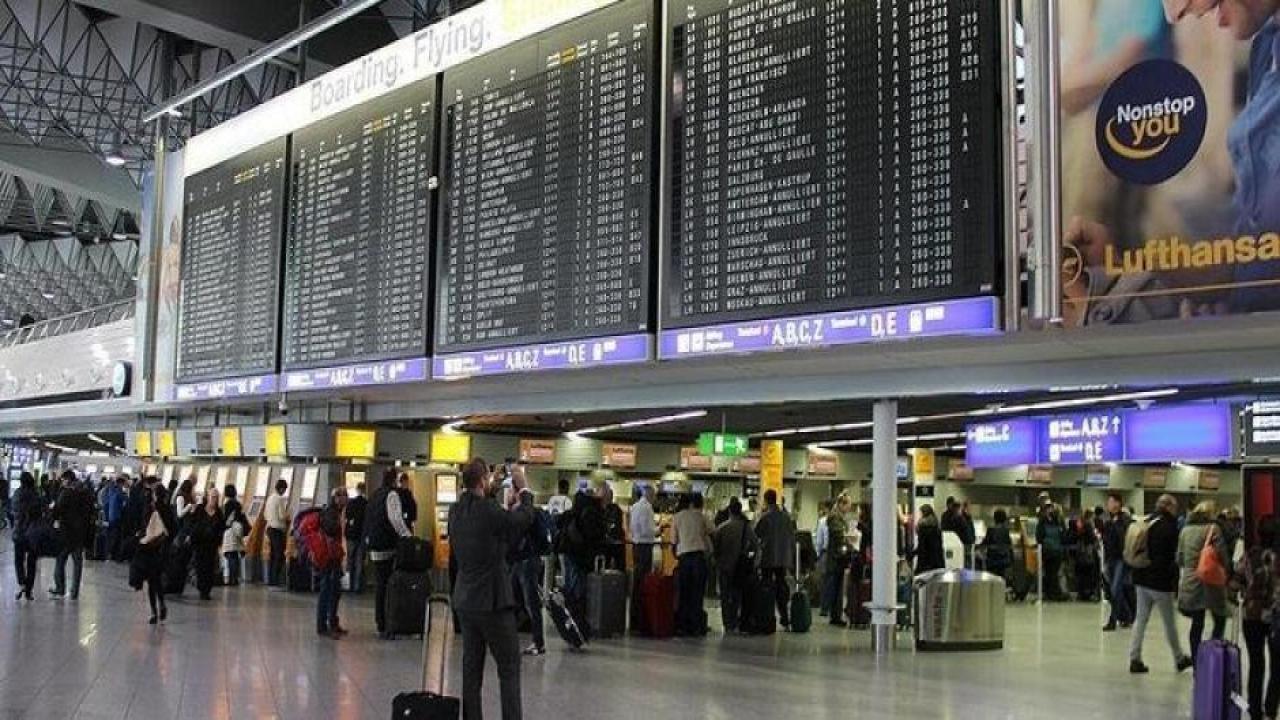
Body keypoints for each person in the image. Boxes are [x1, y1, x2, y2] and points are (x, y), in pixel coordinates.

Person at [451, 457, 533, 720]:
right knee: (509, 667)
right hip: (493, 602)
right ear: (482, 480)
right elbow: (521, 520)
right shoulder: (489, 511)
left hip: (466, 601)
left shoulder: (456, 510)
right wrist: (525, 489)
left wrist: (494, 488)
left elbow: (486, 518)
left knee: (471, 668)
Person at [1130, 494, 1194, 674]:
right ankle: (1179, 658)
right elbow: (1173, 556)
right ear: (1168, 507)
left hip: (1141, 577)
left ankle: (1135, 658)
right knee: (1169, 623)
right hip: (1160, 582)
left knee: (1140, 620)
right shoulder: (1169, 526)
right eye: (1174, 506)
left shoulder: (1147, 521)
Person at [1178, 501, 1231, 661]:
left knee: (1197, 623)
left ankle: (1196, 661)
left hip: (1190, 580)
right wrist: (1228, 572)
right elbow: (1222, 555)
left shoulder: (1185, 530)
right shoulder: (1213, 529)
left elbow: (1179, 558)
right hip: (1211, 581)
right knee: (1220, 619)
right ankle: (1212, 656)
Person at [1240, 516, 1280, 720]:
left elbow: (1235, 580)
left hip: (1251, 615)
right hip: (1275, 617)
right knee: (1277, 665)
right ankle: (1271, 708)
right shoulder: (1277, 558)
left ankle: (1254, 710)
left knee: (1256, 664)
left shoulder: (1249, 554)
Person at [365, 468, 413, 638]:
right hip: (387, 545)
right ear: (394, 481)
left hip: (374, 545)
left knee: (380, 585)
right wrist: (408, 536)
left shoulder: (375, 494)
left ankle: (381, 623)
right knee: (387, 586)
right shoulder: (391, 495)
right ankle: (386, 623)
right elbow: (396, 519)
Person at [509, 467, 550, 656]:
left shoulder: (523, 512)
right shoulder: (527, 510)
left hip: (526, 561)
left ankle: (538, 642)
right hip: (525, 561)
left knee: (530, 602)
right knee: (519, 600)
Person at [557, 488, 605, 632]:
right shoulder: (590, 511)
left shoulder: (573, 511)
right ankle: (577, 620)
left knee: (570, 586)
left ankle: (568, 618)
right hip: (580, 555)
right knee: (578, 588)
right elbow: (593, 536)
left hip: (567, 551)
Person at [135, 479, 177, 624]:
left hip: (149, 549)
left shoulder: (150, 508)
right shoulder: (167, 509)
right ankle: (162, 603)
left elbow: (143, 527)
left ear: (154, 494)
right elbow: (173, 529)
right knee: (157, 579)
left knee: (151, 581)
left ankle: (153, 611)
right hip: (162, 549)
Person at [672, 493, 713, 637]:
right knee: (697, 594)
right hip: (699, 558)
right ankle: (696, 626)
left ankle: (683, 626)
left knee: (684, 593)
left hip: (684, 558)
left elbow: (674, 541)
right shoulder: (701, 516)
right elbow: (713, 531)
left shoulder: (677, 517)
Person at [755, 489, 797, 629]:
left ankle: (768, 617)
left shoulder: (765, 517)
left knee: (767, 588)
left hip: (768, 558)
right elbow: (792, 537)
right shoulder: (786, 517)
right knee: (781, 586)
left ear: (766, 500)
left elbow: (756, 534)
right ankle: (784, 617)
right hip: (782, 559)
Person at [50, 470, 93, 599]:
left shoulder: (66, 493)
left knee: (60, 560)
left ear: (68, 480)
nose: (62, 482)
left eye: (63, 480)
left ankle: (60, 589)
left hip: (66, 533)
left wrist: (52, 510)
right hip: (80, 534)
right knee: (77, 564)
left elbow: (56, 511)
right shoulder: (85, 494)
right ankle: (74, 592)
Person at [713, 497, 754, 633]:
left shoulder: (721, 528)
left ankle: (727, 623)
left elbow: (715, 548)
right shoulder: (746, 527)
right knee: (737, 594)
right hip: (740, 566)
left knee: (724, 596)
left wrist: (717, 561)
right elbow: (756, 545)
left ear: (729, 511)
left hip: (724, 566)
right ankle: (735, 619)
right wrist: (753, 560)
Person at [316, 487, 349, 638]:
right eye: (343, 496)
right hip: (329, 558)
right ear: (336, 498)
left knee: (335, 591)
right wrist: (339, 523)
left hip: (333, 557)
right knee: (328, 591)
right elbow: (330, 530)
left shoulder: (335, 512)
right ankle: (323, 626)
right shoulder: (331, 513)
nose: (346, 499)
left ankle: (333, 623)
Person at [1103, 493, 1135, 631]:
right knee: (1114, 590)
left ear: (1117, 503)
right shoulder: (1109, 521)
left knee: (1116, 589)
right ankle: (1127, 615)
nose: (1108, 505)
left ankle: (1113, 620)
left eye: (1110, 502)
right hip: (1110, 558)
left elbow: (1124, 538)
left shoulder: (1125, 520)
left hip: (1121, 559)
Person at [628, 483, 657, 631]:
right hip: (645, 546)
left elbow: (633, 528)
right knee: (644, 581)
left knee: (637, 581)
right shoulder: (647, 508)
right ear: (650, 494)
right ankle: (642, 617)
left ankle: (634, 617)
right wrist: (658, 529)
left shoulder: (634, 507)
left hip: (636, 546)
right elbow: (648, 530)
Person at [188, 488, 225, 600]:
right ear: (208, 497)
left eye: (216, 497)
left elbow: (221, 528)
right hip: (200, 543)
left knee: (210, 567)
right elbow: (192, 523)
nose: (214, 499)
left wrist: (219, 541)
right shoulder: (200, 509)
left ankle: (206, 590)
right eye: (213, 497)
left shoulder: (219, 513)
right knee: (200, 566)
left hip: (212, 545)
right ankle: (201, 588)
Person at [11, 471, 40, 601]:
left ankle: (22, 582)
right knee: (31, 562)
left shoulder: (17, 493)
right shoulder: (36, 495)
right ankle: (29, 590)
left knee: (18, 560)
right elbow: (40, 512)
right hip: (33, 533)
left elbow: (13, 511)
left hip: (19, 533)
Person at [1037, 503, 1069, 601]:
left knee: (1049, 573)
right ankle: (1053, 593)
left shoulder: (1043, 522)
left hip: (1048, 551)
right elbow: (1064, 537)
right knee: (1053, 573)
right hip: (1056, 551)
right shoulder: (1059, 523)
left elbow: (1039, 537)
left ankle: (1050, 593)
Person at [264, 478, 290, 588]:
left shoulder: (270, 498)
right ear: (282, 488)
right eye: (285, 489)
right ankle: (275, 581)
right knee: (279, 555)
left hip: (270, 528)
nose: (284, 491)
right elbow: (282, 515)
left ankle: (271, 580)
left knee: (273, 555)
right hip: (277, 530)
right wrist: (288, 515)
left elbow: (265, 515)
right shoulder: (280, 499)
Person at [344, 482, 368, 593]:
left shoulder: (351, 503)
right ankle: (358, 586)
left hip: (351, 535)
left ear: (357, 490)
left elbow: (347, 516)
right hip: (362, 535)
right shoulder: (367, 504)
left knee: (351, 560)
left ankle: (350, 584)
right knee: (359, 561)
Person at [813, 499, 834, 616]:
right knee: (832, 581)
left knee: (824, 580)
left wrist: (817, 555)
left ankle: (824, 607)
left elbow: (819, 541)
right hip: (834, 554)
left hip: (825, 553)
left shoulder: (822, 521)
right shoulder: (839, 520)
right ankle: (830, 606)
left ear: (826, 508)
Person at [222, 492, 247, 587]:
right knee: (234, 558)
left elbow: (226, 522)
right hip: (236, 536)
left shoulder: (227, 506)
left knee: (230, 559)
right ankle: (234, 578)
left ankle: (232, 579)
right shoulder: (237, 505)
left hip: (229, 535)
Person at [981, 509, 1014, 580]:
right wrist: (1011, 561)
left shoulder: (990, 530)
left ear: (995, 518)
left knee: (992, 580)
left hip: (992, 561)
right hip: (1003, 561)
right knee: (1002, 580)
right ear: (1004, 519)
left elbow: (984, 543)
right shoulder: (1006, 531)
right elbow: (1009, 546)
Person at [600, 485, 626, 571]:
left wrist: (606, 532)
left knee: (609, 565)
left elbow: (613, 524)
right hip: (615, 541)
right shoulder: (615, 508)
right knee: (617, 566)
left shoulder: (612, 509)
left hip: (613, 542)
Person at [914, 505, 945, 575]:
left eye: (920, 513)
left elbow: (922, 547)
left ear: (924, 513)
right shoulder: (936, 525)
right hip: (937, 562)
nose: (919, 515)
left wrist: (911, 554)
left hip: (925, 563)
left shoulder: (923, 527)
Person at [105, 476, 129, 562]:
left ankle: (108, 553)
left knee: (110, 536)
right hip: (117, 517)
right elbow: (127, 500)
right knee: (116, 536)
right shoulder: (119, 492)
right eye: (124, 483)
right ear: (121, 483)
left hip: (110, 516)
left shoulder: (111, 491)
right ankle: (113, 554)